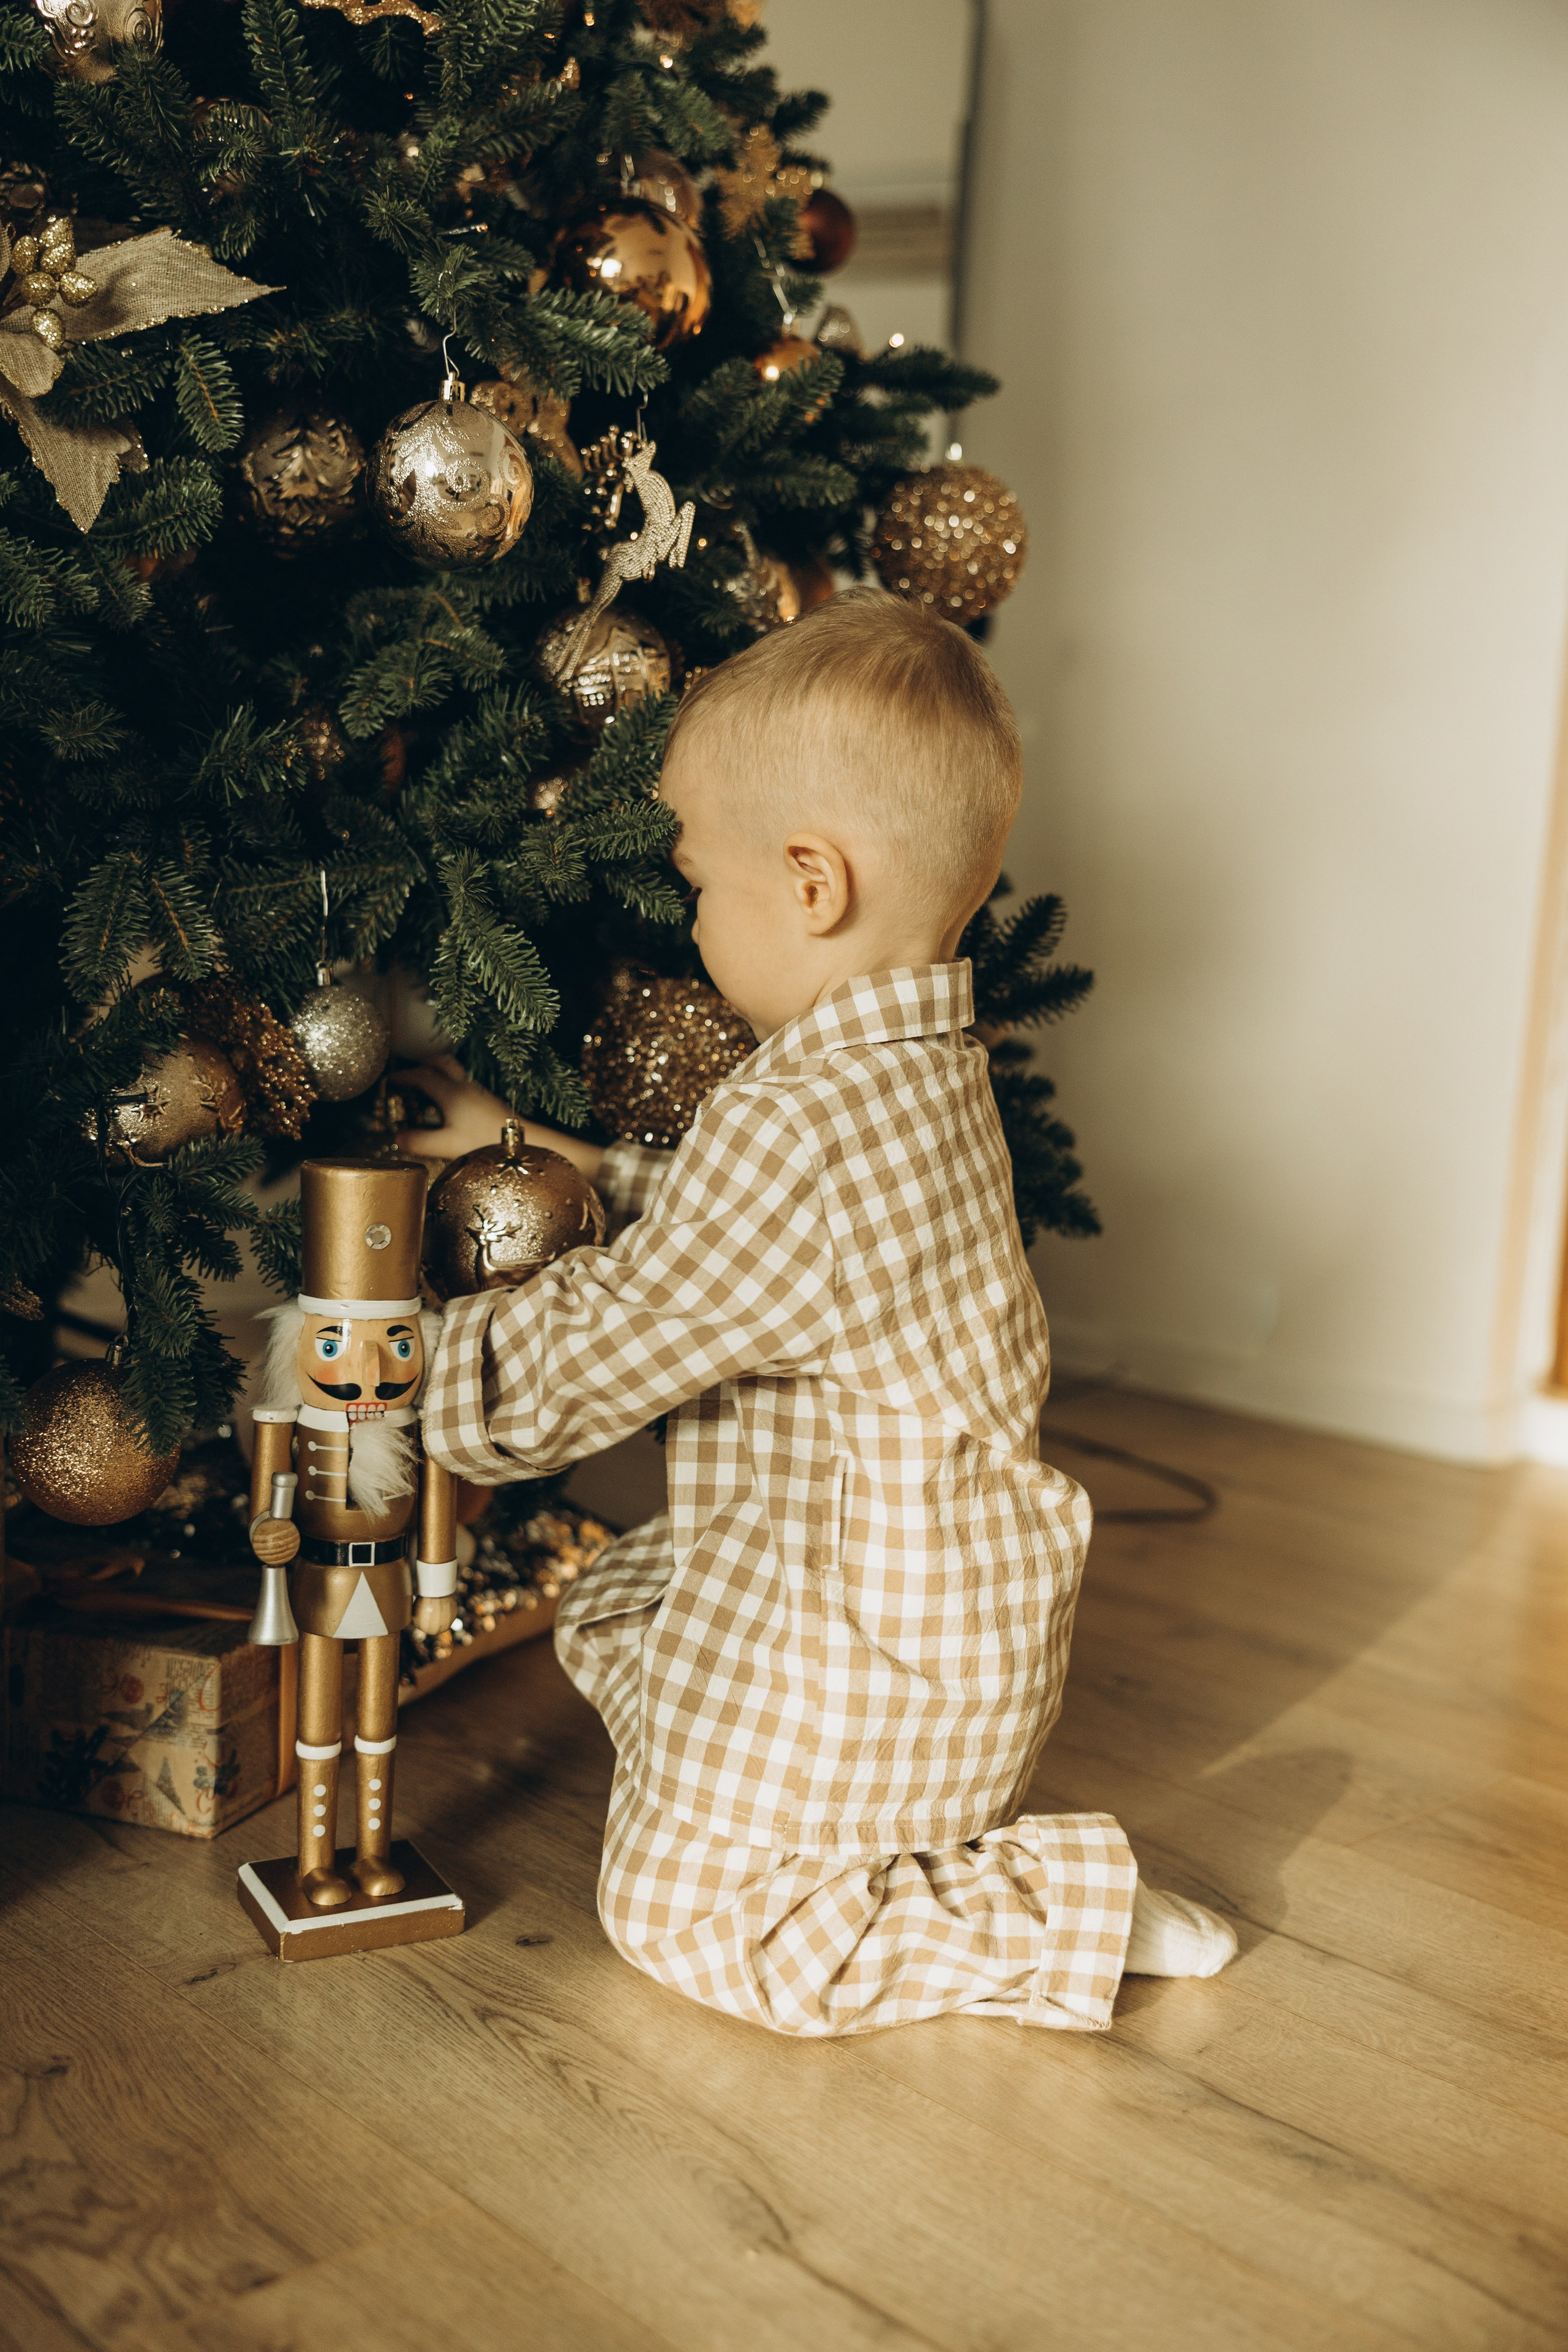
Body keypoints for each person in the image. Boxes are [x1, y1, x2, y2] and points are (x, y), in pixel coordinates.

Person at [410, 587, 1237, 2036]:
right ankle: (855, 1830)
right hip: (928, 1602)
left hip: (883, 1643)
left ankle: (1053, 1910)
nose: (692, 918)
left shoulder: (802, 1128)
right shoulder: (908, 1070)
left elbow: (591, 1360)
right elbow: (729, 1242)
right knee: (624, 1610)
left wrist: (419, 1367)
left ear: (809, 884)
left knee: (682, 1921)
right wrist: (540, 1157)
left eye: (697, 885)